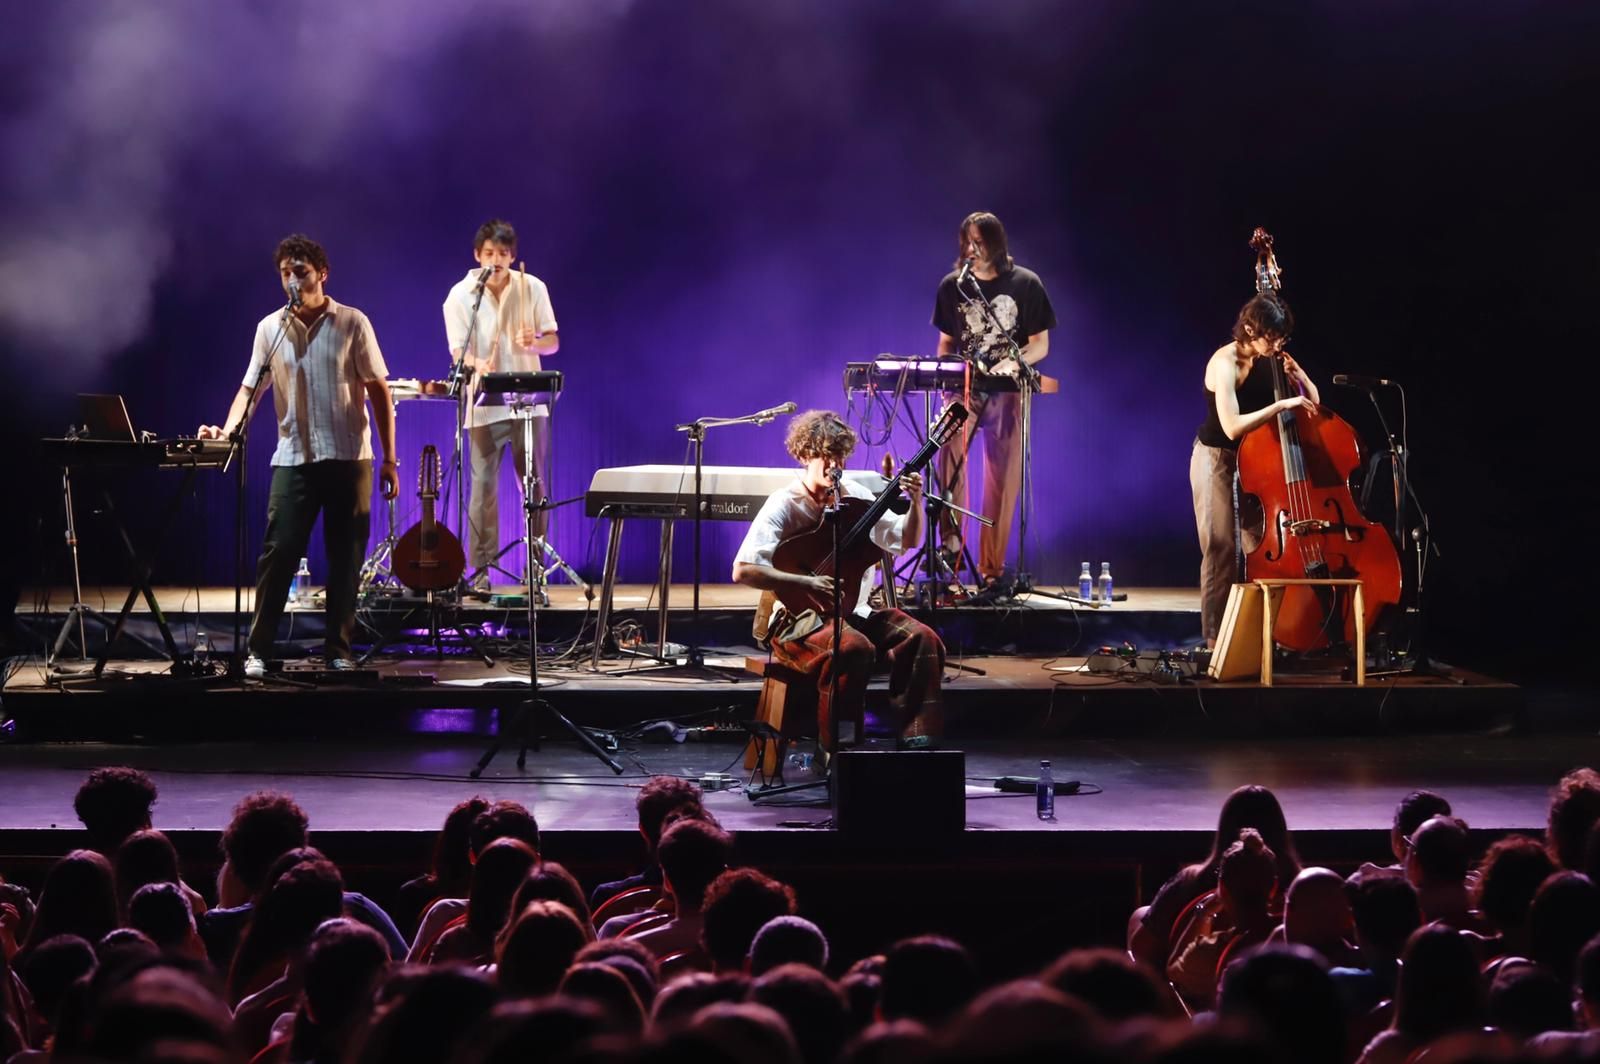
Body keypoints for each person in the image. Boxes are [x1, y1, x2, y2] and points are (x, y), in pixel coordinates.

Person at [198, 234, 397, 677]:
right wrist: (227, 433)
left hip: (348, 456)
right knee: (279, 552)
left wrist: (389, 459)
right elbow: (251, 388)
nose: (292, 280)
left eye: (301, 272)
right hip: (293, 457)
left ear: (322, 274)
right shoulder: (270, 329)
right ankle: (259, 650)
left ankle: (338, 651)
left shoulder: (352, 322)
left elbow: (379, 390)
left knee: (345, 557)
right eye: (285, 273)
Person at [732, 409, 944, 749]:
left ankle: (917, 739)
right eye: (825, 456)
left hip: (850, 614)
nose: (834, 465)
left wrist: (916, 503)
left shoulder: (856, 495)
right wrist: (806, 583)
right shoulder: (784, 504)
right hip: (796, 621)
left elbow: (906, 540)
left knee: (922, 639)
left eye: (839, 456)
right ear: (805, 455)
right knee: (853, 648)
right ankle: (837, 751)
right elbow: (743, 570)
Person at [931, 211, 1056, 589]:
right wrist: (942, 375)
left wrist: (1011, 361)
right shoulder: (953, 285)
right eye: (967, 241)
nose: (971, 249)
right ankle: (950, 560)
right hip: (963, 390)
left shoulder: (1026, 283)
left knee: (1001, 481)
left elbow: (1040, 346)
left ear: (996, 244)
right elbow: (946, 345)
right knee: (948, 464)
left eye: (979, 242)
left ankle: (991, 572)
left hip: (1006, 393)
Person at [1191, 291, 1319, 647]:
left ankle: (1268, 634)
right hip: (1216, 457)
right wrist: (1280, 404)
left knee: (1257, 544)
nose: (1277, 344)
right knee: (1220, 546)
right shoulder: (1225, 362)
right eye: (1271, 337)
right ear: (1249, 328)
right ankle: (1215, 640)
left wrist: (1300, 378)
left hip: (1254, 463)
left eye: (1282, 338)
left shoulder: (1272, 359)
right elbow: (1231, 427)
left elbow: (1313, 403)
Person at [443, 219, 559, 596]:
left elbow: (553, 342)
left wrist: (535, 343)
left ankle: (536, 568)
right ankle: (480, 570)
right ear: (478, 255)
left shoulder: (533, 287)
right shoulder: (461, 296)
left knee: (535, 486)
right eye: (489, 253)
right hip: (483, 405)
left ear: (513, 256)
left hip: (529, 404)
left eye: (504, 254)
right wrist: (477, 363)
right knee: (482, 488)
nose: (497, 260)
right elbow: (458, 350)